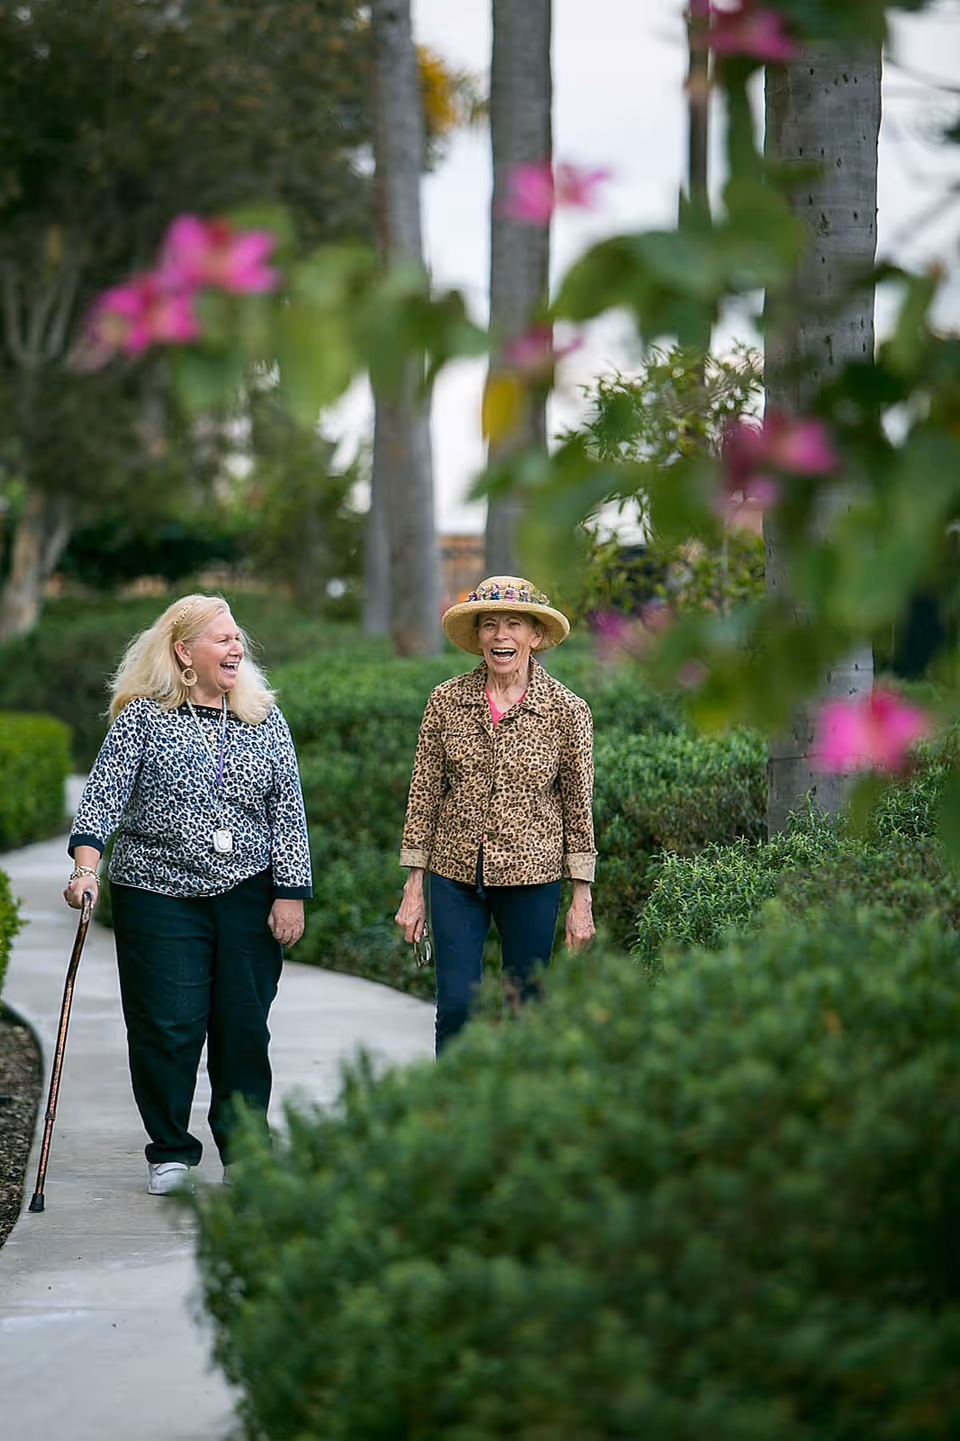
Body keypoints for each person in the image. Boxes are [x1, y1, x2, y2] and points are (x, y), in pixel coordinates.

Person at [64, 594, 312, 1195]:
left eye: (237, 638)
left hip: (248, 893)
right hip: (157, 891)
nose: (236, 647)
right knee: (166, 1026)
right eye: (221, 639)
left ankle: (247, 1150)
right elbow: (103, 799)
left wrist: (291, 892)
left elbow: (288, 810)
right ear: (183, 653)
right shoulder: (142, 719)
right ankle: (170, 1149)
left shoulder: (262, 718)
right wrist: (86, 868)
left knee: (243, 1029)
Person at [395, 575, 596, 1052]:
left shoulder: (568, 711)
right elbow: (424, 793)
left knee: (527, 1007)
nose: (500, 636)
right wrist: (413, 885)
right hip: (454, 872)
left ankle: (518, 1119)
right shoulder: (445, 701)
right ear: (478, 637)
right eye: (489, 625)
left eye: (513, 625)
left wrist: (582, 899)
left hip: (534, 875)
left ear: (536, 637)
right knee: (458, 1007)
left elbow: (578, 807)